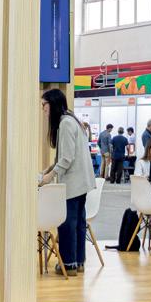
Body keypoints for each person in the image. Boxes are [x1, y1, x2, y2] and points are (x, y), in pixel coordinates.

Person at [39, 88, 96, 276]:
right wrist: (48, 170)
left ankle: (69, 264)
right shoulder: (72, 121)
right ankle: (78, 262)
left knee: (67, 223)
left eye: (44, 105)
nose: (43, 109)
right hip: (82, 182)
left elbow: (66, 158)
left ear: (53, 104)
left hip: (73, 183)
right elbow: (65, 156)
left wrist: (48, 177)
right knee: (78, 223)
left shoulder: (65, 124)